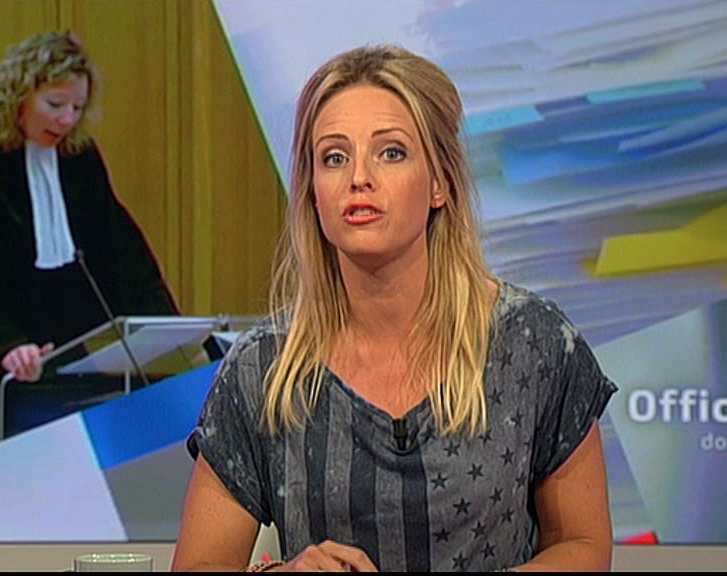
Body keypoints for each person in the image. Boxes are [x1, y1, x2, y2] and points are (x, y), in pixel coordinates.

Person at [172, 45, 617, 572]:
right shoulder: (264, 368)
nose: (359, 177)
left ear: (439, 183)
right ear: (312, 191)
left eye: (391, 153)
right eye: (334, 158)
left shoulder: (533, 344)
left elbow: (583, 545)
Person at [0, 32, 178, 463]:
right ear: (19, 95)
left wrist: (160, 328)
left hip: (72, 353)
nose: (67, 119)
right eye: (55, 104)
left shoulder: (78, 157)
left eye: (77, 108)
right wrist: (4, 345)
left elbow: (121, 255)